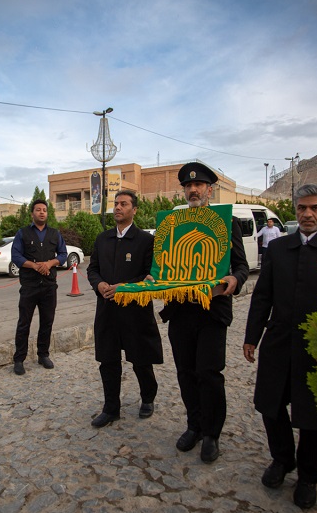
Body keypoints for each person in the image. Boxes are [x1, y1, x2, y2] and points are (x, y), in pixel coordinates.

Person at [242, 183, 317, 509]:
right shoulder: (278, 249)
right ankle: (282, 459)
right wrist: (252, 336)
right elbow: (262, 296)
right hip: (278, 342)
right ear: (295, 210)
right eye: (302, 208)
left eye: (315, 208)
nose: (307, 214)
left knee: (316, 417)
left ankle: (308, 475)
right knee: (270, 405)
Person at [160, 162, 249, 463]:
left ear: (210, 190)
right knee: (185, 373)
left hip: (212, 312)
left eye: (199, 186)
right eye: (188, 186)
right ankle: (194, 425)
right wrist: (154, 277)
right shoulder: (173, 224)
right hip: (181, 311)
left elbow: (241, 265)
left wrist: (235, 280)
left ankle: (212, 433)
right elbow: (163, 264)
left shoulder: (226, 222)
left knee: (209, 374)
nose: (193, 189)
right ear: (184, 190)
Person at [87, 190, 163, 428]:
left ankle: (148, 397)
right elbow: (93, 269)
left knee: (141, 359)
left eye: (123, 204)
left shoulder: (146, 241)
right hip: (107, 310)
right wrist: (99, 284)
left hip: (135, 312)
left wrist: (125, 288)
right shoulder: (102, 239)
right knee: (108, 361)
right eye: (116, 204)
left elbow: (150, 276)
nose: (117, 207)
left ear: (134, 210)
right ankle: (111, 409)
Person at [11, 199, 67, 375]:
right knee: (24, 323)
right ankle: (19, 359)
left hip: (49, 286)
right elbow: (16, 255)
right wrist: (34, 265)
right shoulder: (23, 233)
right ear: (32, 214)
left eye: (44, 210)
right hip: (29, 286)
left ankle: (43, 355)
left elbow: (63, 254)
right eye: (38, 210)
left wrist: (50, 263)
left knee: (47, 322)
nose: (42, 212)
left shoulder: (55, 233)